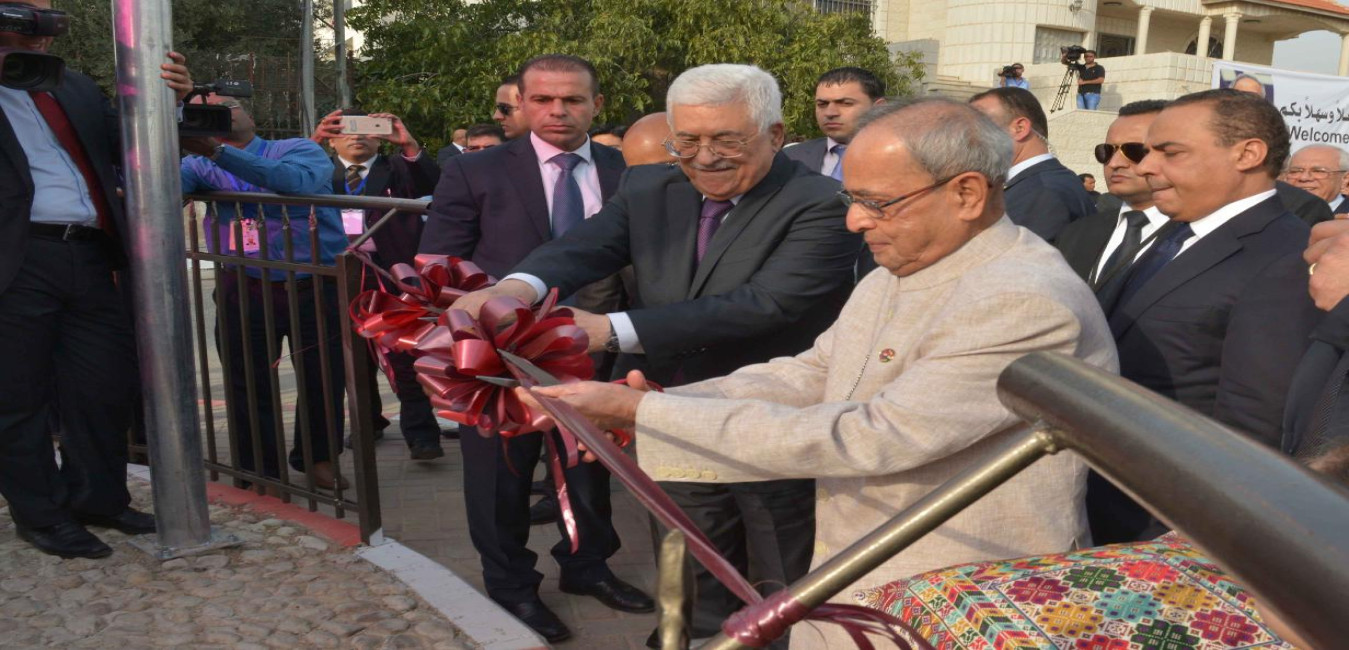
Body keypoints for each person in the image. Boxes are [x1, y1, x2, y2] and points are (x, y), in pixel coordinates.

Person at [521, 96, 1116, 650]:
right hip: (866, 571)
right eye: (852, 199)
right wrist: (655, 406)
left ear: (966, 193)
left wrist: (647, 414)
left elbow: (874, 436)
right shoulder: (901, 270)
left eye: (877, 203)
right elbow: (812, 372)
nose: (855, 221)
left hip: (961, 590)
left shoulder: (1020, 299)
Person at [452, 63, 860, 647]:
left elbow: (765, 305)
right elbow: (583, 246)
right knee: (685, 551)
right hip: (665, 408)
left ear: (774, 135)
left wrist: (607, 330)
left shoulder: (821, 201)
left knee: (779, 568)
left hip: (767, 417)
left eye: (726, 140)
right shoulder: (649, 187)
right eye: (686, 141)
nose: (705, 158)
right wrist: (517, 288)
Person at [417, 54, 646, 643]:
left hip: (602, 346)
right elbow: (442, 264)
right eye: (543, 99)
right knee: (501, 477)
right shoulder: (475, 170)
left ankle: (587, 566)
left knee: (590, 468)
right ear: (520, 103)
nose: (557, 111)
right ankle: (511, 585)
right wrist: (478, 338)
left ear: (597, 104)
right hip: (502, 358)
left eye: (572, 100)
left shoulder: (631, 171)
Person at [0, 0, 188, 558]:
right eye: (21, 24)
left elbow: (130, 144)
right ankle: (41, 515)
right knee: (17, 399)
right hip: (15, 259)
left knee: (102, 387)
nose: (37, 37)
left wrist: (171, 101)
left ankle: (98, 499)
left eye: (47, 25)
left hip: (86, 252)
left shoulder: (73, 86)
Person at [1090, 88, 1321, 543]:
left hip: (1168, 526)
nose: (1146, 166)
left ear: (1247, 154)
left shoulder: (1284, 257)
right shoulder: (1172, 232)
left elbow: (1254, 426)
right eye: (1148, 152)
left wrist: (1194, 538)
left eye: (1170, 152)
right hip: (1109, 499)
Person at [180, 95, 350, 491]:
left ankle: (318, 458)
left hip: (313, 281)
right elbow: (164, 191)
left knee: (323, 375)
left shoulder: (297, 148)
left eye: (227, 104)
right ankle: (261, 467)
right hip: (244, 282)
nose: (219, 111)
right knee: (246, 377)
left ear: (250, 115)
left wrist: (219, 152)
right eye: (205, 108)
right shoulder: (196, 164)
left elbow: (295, 182)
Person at [311, 109, 444, 459]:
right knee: (349, 355)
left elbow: (435, 186)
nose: (357, 136)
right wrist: (312, 143)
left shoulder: (398, 168)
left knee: (403, 354)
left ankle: (422, 435)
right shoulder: (318, 169)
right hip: (335, 272)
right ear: (332, 140)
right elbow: (285, 182)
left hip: (390, 273)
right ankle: (366, 423)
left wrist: (409, 144)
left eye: (367, 129)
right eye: (346, 130)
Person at [1056, 100, 1171, 285]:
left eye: (1133, 150)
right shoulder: (1077, 233)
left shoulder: (1199, 236)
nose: (1114, 163)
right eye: (1107, 151)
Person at [969, 87, 1096, 242]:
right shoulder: (1031, 184)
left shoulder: (1045, 193)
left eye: (979, 124)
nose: (967, 136)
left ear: (1020, 128)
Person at [784, 67, 887, 180]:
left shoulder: (899, 158)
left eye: (846, 103)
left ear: (879, 108)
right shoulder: (790, 158)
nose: (830, 113)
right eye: (822, 104)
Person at [1285, 144, 1349, 215]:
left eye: (1318, 171)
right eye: (1295, 171)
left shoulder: (1345, 218)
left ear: (1345, 178)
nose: (1304, 178)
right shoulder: (1278, 212)